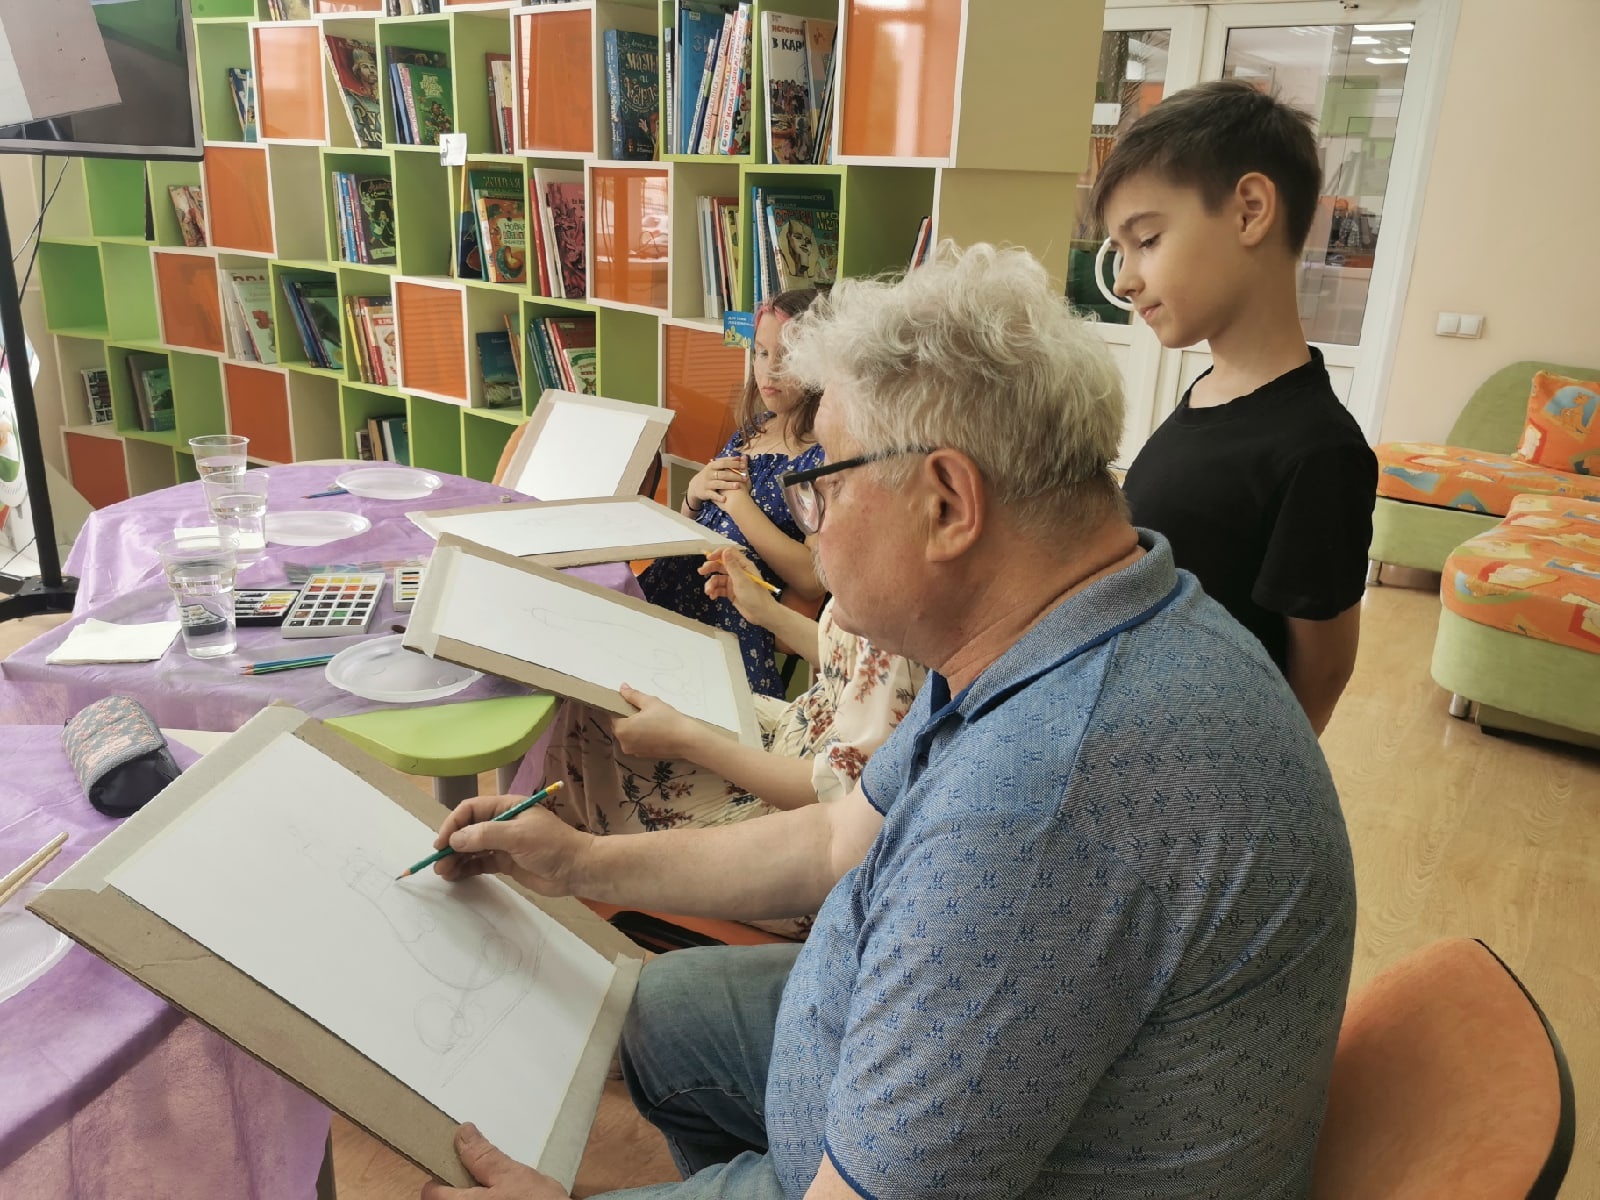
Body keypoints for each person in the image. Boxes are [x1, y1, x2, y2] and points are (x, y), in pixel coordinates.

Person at [420, 243, 1356, 1200]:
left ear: (948, 503)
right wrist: (579, 862)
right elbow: (837, 835)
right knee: (660, 1008)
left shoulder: (1040, 807)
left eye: (823, 484)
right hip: (893, 1060)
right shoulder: (1074, 621)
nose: (809, 519)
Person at [1092, 80, 1379, 734]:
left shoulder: (1319, 451)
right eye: (1121, 250)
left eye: (1147, 240)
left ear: (1250, 211)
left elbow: (1322, 671)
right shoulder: (1207, 393)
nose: (1125, 279)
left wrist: (1258, 777)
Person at [540, 545, 924, 938]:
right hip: (793, 734)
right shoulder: (896, 573)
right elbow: (856, 668)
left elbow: (839, 803)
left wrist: (685, 739)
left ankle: (551, 891)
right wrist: (767, 612)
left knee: (592, 725)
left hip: (800, 828)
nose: (816, 535)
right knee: (605, 702)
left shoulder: (908, 600)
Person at [639, 289, 827, 697]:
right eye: (761, 353)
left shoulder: (819, 457)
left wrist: (740, 505)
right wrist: (692, 496)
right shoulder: (752, 431)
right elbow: (692, 525)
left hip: (726, 611)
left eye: (787, 356)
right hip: (674, 582)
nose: (769, 370)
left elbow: (813, 578)